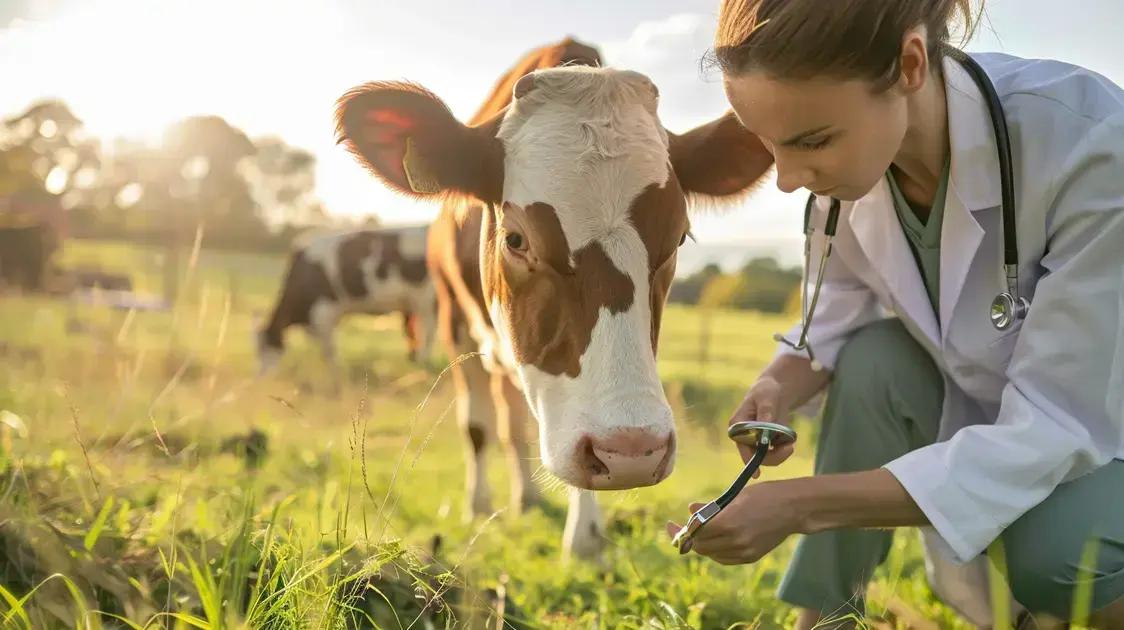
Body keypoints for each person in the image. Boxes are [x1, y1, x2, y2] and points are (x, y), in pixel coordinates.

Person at [666, 1, 1124, 628]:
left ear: (909, 64)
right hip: (1002, 425)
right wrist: (777, 384)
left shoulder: (1089, 144)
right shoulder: (854, 178)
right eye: (770, 145)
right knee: (875, 358)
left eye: (812, 141)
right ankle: (824, 616)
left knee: (1062, 554)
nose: (789, 180)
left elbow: (1054, 428)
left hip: (1105, 434)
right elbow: (825, 332)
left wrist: (797, 505)